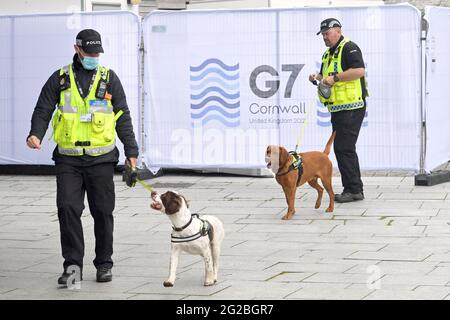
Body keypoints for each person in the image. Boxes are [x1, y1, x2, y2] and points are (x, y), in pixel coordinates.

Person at [26, 29, 139, 285]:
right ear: (77, 49)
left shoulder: (109, 78)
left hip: (101, 159)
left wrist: (131, 152)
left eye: (97, 53)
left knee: (102, 211)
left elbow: (122, 115)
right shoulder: (60, 78)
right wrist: (36, 133)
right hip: (69, 159)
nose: (94, 57)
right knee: (67, 209)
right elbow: (43, 107)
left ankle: (104, 264)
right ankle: (72, 267)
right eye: (89, 53)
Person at [309, 18, 368, 203]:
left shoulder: (349, 47)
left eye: (327, 33)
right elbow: (326, 77)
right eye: (323, 34)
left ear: (338, 30)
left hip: (352, 107)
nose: (325, 37)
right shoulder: (328, 54)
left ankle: (354, 190)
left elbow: (359, 71)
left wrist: (334, 78)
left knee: (344, 147)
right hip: (338, 108)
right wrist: (317, 77)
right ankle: (353, 188)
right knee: (341, 148)